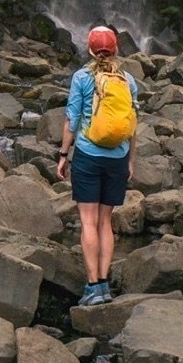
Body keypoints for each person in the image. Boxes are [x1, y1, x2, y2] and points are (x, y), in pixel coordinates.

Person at [55, 24, 138, 306]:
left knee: (88, 221)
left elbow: (72, 119)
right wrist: (130, 160)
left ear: (89, 49)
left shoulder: (81, 77)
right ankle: (104, 286)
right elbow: (132, 125)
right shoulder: (127, 80)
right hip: (117, 157)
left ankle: (93, 286)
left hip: (89, 155)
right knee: (106, 222)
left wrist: (64, 154)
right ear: (115, 49)